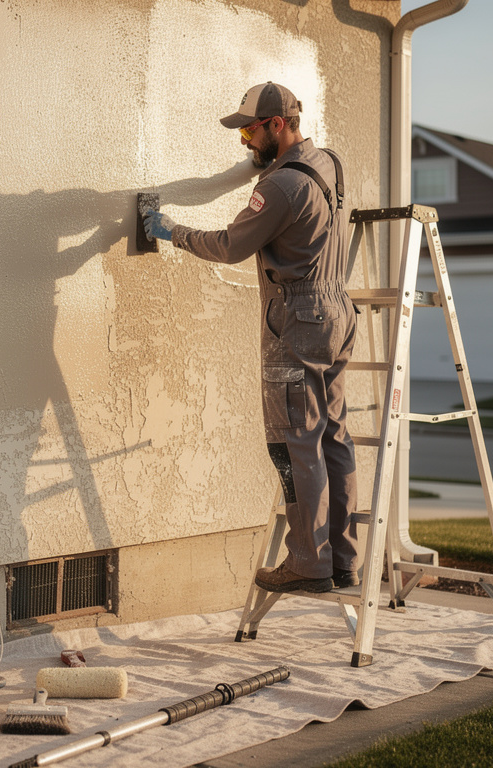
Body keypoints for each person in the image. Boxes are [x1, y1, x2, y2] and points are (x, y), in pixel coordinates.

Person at [144, 82, 359, 594]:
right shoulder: (328, 162)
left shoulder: (281, 187)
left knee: (293, 442)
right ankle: (342, 558)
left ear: (277, 125)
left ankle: (308, 563)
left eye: (249, 129)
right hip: (337, 312)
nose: (243, 141)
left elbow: (230, 245)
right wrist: (269, 166)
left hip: (297, 320)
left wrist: (169, 229)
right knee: (333, 435)